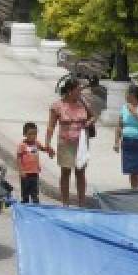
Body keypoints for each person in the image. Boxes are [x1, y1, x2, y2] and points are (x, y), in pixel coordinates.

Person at [46, 76, 94, 206]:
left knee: (80, 172)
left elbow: (93, 116)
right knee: (65, 171)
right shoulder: (58, 106)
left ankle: (81, 202)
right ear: (69, 91)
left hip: (81, 142)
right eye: (77, 90)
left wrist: (89, 123)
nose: (79, 93)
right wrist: (47, 143)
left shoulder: (83, 103)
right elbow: (51, 126)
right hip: (66, 142)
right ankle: (65, 203)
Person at [17, 121, 53, 204]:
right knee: (25, 191)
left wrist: (48, 150)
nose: (32, 136)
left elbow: (43, 149)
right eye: (30, 134)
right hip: (25, 173)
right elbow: (18, 158)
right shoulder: (22, 145)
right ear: (24, 134)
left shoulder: (36, 143)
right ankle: (25, 204)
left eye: (34, 134)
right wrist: (21, 170)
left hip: (34, 172)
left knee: (34, 190)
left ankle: (35, 204)